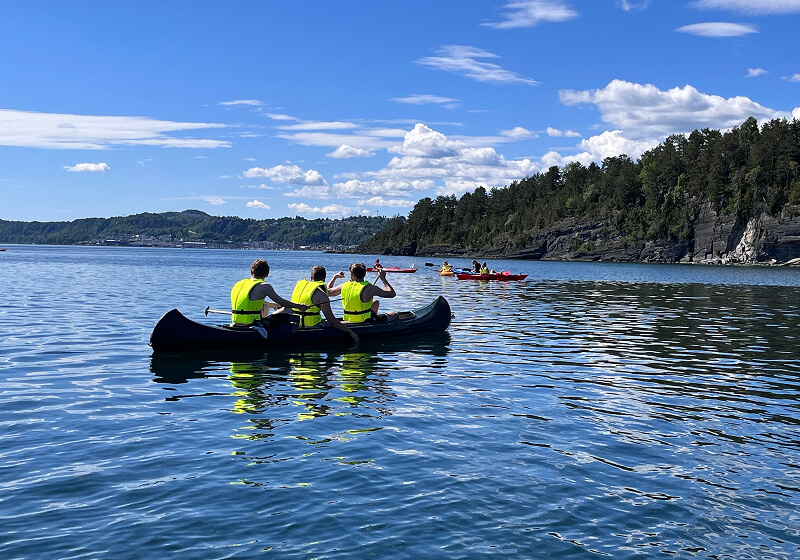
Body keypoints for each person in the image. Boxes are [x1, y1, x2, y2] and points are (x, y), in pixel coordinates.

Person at [291, 266, 358, 343]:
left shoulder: (300, 288)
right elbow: (331, 320)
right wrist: (350, 332)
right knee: (341, 324)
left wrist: (335, 277)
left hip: (296, 324)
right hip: (314, 326)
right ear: (324, 278)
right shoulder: (321, 294)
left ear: (311, 277)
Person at [231, 259, 307, 325]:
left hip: (236, 321)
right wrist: (299, 306)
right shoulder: (265, 286)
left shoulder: (239, 283)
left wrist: (272, 305)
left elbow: (248, 301)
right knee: (289, 309)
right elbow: (284, 303)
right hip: (253, 323)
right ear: (267, 274)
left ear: (251, 272)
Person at [330, 262, 397, 323]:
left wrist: (334, 277)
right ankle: (374, 323)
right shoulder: (370, 288)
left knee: (375, 302)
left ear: (352, 274)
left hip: (349, 319)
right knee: (395, 315)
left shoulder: (343, 286)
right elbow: (391, 293)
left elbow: (328, 291)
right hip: (364, 321)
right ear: (364, 273)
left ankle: (374, 320)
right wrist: (383, 278)